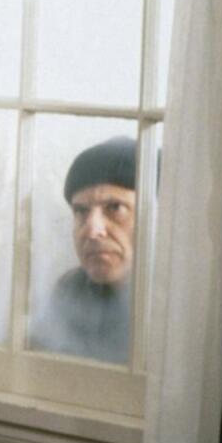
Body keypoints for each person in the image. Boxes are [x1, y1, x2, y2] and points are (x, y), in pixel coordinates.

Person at [29, 136, 137, 364]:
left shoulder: (176, 303)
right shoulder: (70, 288)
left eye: (114, 208)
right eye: (81, 211)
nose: (92, 230)